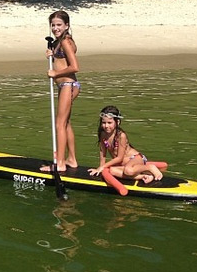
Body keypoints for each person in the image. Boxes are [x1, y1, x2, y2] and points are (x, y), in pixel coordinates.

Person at [88, 105, 163, 194]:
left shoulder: (121, 136)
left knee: (128, 170)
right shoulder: (103, 134)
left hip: (135, 158)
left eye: (109, 122)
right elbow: (102, 153)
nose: (106, 126)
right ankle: (143, 176)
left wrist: (103, 167)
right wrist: (99, 168)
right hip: (124, 166)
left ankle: (150, 167)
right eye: (104, 123)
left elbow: (119, 158)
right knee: (112, 171)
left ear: (117, 122)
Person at [41, 10, 80, 173]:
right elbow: (62, 60)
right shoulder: (59, 41)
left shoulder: (65, 41)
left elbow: (75, 67)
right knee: (66, 123)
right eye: (53, 25)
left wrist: (55, 73)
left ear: (67, 25)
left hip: (68, 85)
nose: (55, 28)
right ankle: (71, 159)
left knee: (59, 124)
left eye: (59, 25)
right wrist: (52, 55)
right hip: (64, 86)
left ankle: (61, 163)